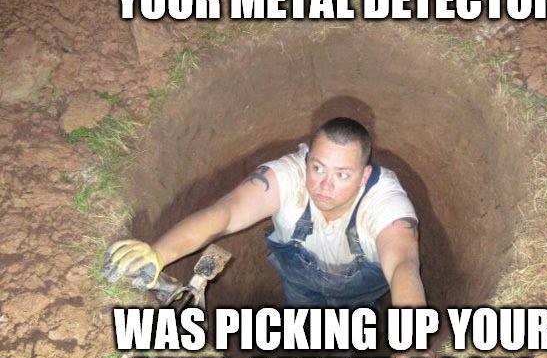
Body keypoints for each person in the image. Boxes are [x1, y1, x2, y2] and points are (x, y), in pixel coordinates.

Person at [103, 117, 426, 309]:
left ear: (365, 175)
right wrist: (159, 254)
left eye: (342, 174)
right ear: (307, 159)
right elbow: (226, 213)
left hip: (359, 298)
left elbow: (403, 265)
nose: (324, 185)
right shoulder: (287, 177)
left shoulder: (386, 204)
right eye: (317, 168)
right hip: (300, 290)